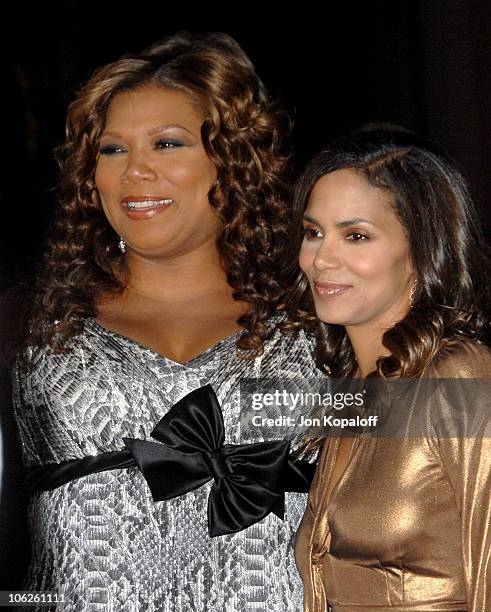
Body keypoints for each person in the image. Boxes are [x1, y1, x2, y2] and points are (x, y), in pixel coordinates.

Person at [11, 32, 319, 611]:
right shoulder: (24, 322)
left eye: (167, 144)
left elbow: (417, 467)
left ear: (232, 162)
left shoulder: (320, 322)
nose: (136, 172)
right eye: (112, 150)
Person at [289, 129, 491, 611]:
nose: (321, 258)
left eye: (355, 235)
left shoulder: (459, 378)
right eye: (314, 232)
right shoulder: (347, 395)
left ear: (422, 251)